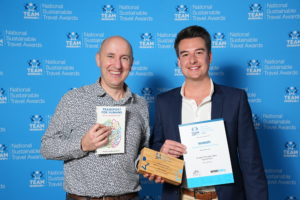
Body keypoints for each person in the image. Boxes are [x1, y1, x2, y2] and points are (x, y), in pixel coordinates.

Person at [147, 25, 268, 200]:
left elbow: (251, 163)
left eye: (199, 52)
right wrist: (161, 152)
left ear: (209, 57)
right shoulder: (164, 102)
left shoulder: (236, 99)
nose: (192, 60)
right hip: (180, 195)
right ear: (179, 62)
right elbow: (156, 147)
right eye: (185, 54)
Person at [41, 36, 150, 200]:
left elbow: (143, 153)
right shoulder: (73, 99)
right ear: (98, 59)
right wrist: (82, 145)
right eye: (110, 56)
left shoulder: (140, 104)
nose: (117, 65)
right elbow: (47, 147)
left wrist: (159, 162)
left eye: (124, 58)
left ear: (131, 63)